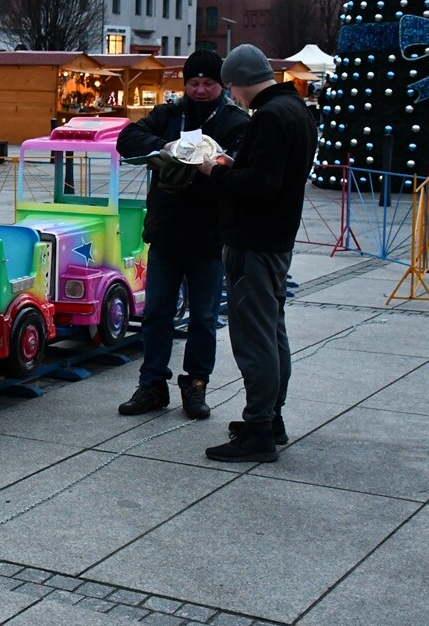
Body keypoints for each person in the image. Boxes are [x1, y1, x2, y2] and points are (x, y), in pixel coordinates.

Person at [197, 44, 317, 463]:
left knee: (254, 336)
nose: (233, 97)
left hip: (254, 239)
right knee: (273, 329)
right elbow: (276, 175)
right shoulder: (296, 109)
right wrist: (237, 164)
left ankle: (259, 428)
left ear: (241, 82)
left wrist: (216, 172)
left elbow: (262, 184)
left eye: (232, 88)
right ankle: (272, 416)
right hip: (277, 237)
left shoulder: (268, 116)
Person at [115, 50, 250, 420]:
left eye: (209, 83)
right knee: (157, 312)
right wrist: (164, 149)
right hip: (166, 234)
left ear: (222, 85)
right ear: (185, 84)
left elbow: (241, 169)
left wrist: (211, 165)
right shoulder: (169, 115)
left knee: (203, 317)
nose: (201, 90)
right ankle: (152, 384)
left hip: (209, 237)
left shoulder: (236, 122)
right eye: (194, 83)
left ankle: (196, 385)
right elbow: (127, 139)